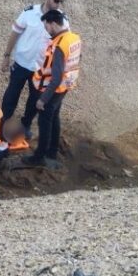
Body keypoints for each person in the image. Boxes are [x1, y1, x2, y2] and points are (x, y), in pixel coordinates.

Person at [0, 0, 69, 138]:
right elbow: (15, 34)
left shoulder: (62, 21)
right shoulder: (29, 13)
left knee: (35, 99)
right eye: (56, 0)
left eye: (61, 1)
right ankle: (2, 122)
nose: (59, 4)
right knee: (11, 94)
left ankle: (25, 125)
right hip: (21, 64)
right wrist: (6, 56)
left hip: (42, 69)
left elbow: (64, 44)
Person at [21, 10, 82, 169]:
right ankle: (52, 152)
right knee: (54, 118)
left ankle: (39, 156)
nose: (46, 30)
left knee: (45, 122)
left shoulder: (60, 45)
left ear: (53, 23)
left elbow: (55, 78)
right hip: (65, 87)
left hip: (53, 89)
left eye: (46, 26)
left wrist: (42, 99)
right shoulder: (73, 38)